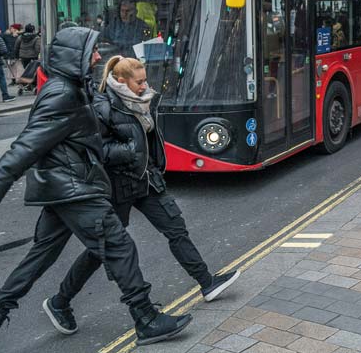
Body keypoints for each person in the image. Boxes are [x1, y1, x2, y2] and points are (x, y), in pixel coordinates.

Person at [0, 28, 191, 352]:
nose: (97, 56)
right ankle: (145, 318)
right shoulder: (61, 93)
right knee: (119, 246)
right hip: (74, 188)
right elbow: (23, 148)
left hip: (65, 186)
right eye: (91, 51)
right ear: (74, 55)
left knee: (39, 257)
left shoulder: (76, 87)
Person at [47, 56, 239, 334]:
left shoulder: (143, 101)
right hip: (119, 185)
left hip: (147, 179)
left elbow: (146, 141)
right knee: (102, 249)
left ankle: (207, 282)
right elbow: (96, 150)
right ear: (121, 81)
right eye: (139, 82)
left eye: (145, 80)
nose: (145, 85)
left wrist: (152, 165)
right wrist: (129, 151)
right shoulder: (102, 105)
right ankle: (60, 301)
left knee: (176, 228)